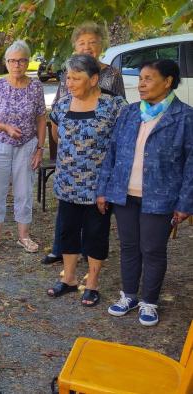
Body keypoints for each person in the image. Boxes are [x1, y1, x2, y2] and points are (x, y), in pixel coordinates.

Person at [97, 59, 192, 326]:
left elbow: (191, 163)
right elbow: (112, 153)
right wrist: (103, 189)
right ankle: (128, 295)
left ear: (168, 81)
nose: (141, 84)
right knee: (129, 247)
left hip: (161, 197)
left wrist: (185, 202)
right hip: (125, 193)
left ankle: (149, 301)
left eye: (148, 78)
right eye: (140, 78)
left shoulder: (184, 116)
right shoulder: (129, 113)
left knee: (152, 249)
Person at [43, 20, 126, 265]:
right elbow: (58, 117)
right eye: (82, 43)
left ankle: (91, 273)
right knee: (67, 220)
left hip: (98, 166)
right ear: (75, 46)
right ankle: (64, 254)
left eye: (92, 43)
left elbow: (121, 122)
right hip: (69, 169)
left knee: (95, 225)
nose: (87, 47)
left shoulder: (112, 78)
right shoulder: (68, 75)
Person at [0, 40, 46, 253]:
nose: (17, 65)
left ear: (28, 62)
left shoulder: (36, 86)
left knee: (24, 191)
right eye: (12, 61)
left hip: (27, 145)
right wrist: (4, 127)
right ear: (7, 63)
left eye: (22, 60)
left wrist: (40, 148)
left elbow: (41, 118)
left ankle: (23, 236)